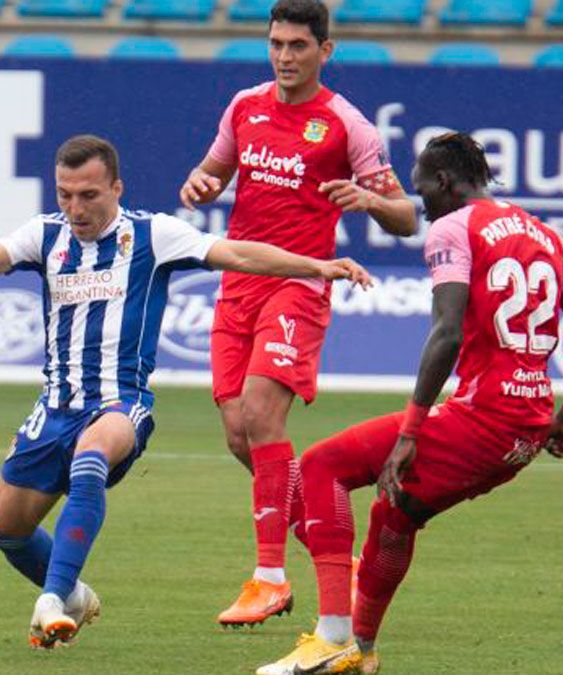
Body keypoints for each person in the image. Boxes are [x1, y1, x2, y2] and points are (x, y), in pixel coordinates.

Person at [0, 134, 372, 649]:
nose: (75, 208)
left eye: (88, 195)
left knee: (92, 455)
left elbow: (237, 252)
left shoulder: (153, 234)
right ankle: (75, 595)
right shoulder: (44, 234)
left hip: (121, 403)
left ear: (116, 188)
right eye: (65, 194)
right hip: (54, 406)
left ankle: (52, 600)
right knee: (7, 530)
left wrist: (317, 266)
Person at [256, 132, 563, 675]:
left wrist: (410, 431)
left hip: (482, 418)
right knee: (395, 515)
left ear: (445, 181)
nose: (419, 199)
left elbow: (445, 333)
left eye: (422, 186)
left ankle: (332, 637)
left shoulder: (453, 227)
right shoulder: (545, 234)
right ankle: (363, 650)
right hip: (527, 429)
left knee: (320, 466)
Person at [178, 0, 418, 627]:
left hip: (302, 284)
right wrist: (199, 183)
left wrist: (367, 197)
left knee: (261, 414)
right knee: (242, 438)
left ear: (325, 51)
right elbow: (212, 171)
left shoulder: (345, 124)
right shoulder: (244, 106)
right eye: (276, 44)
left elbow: (406, 217)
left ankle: (268, 578)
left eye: (298, 46)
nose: (285, 57)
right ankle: (336, 549)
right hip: (239, 282)